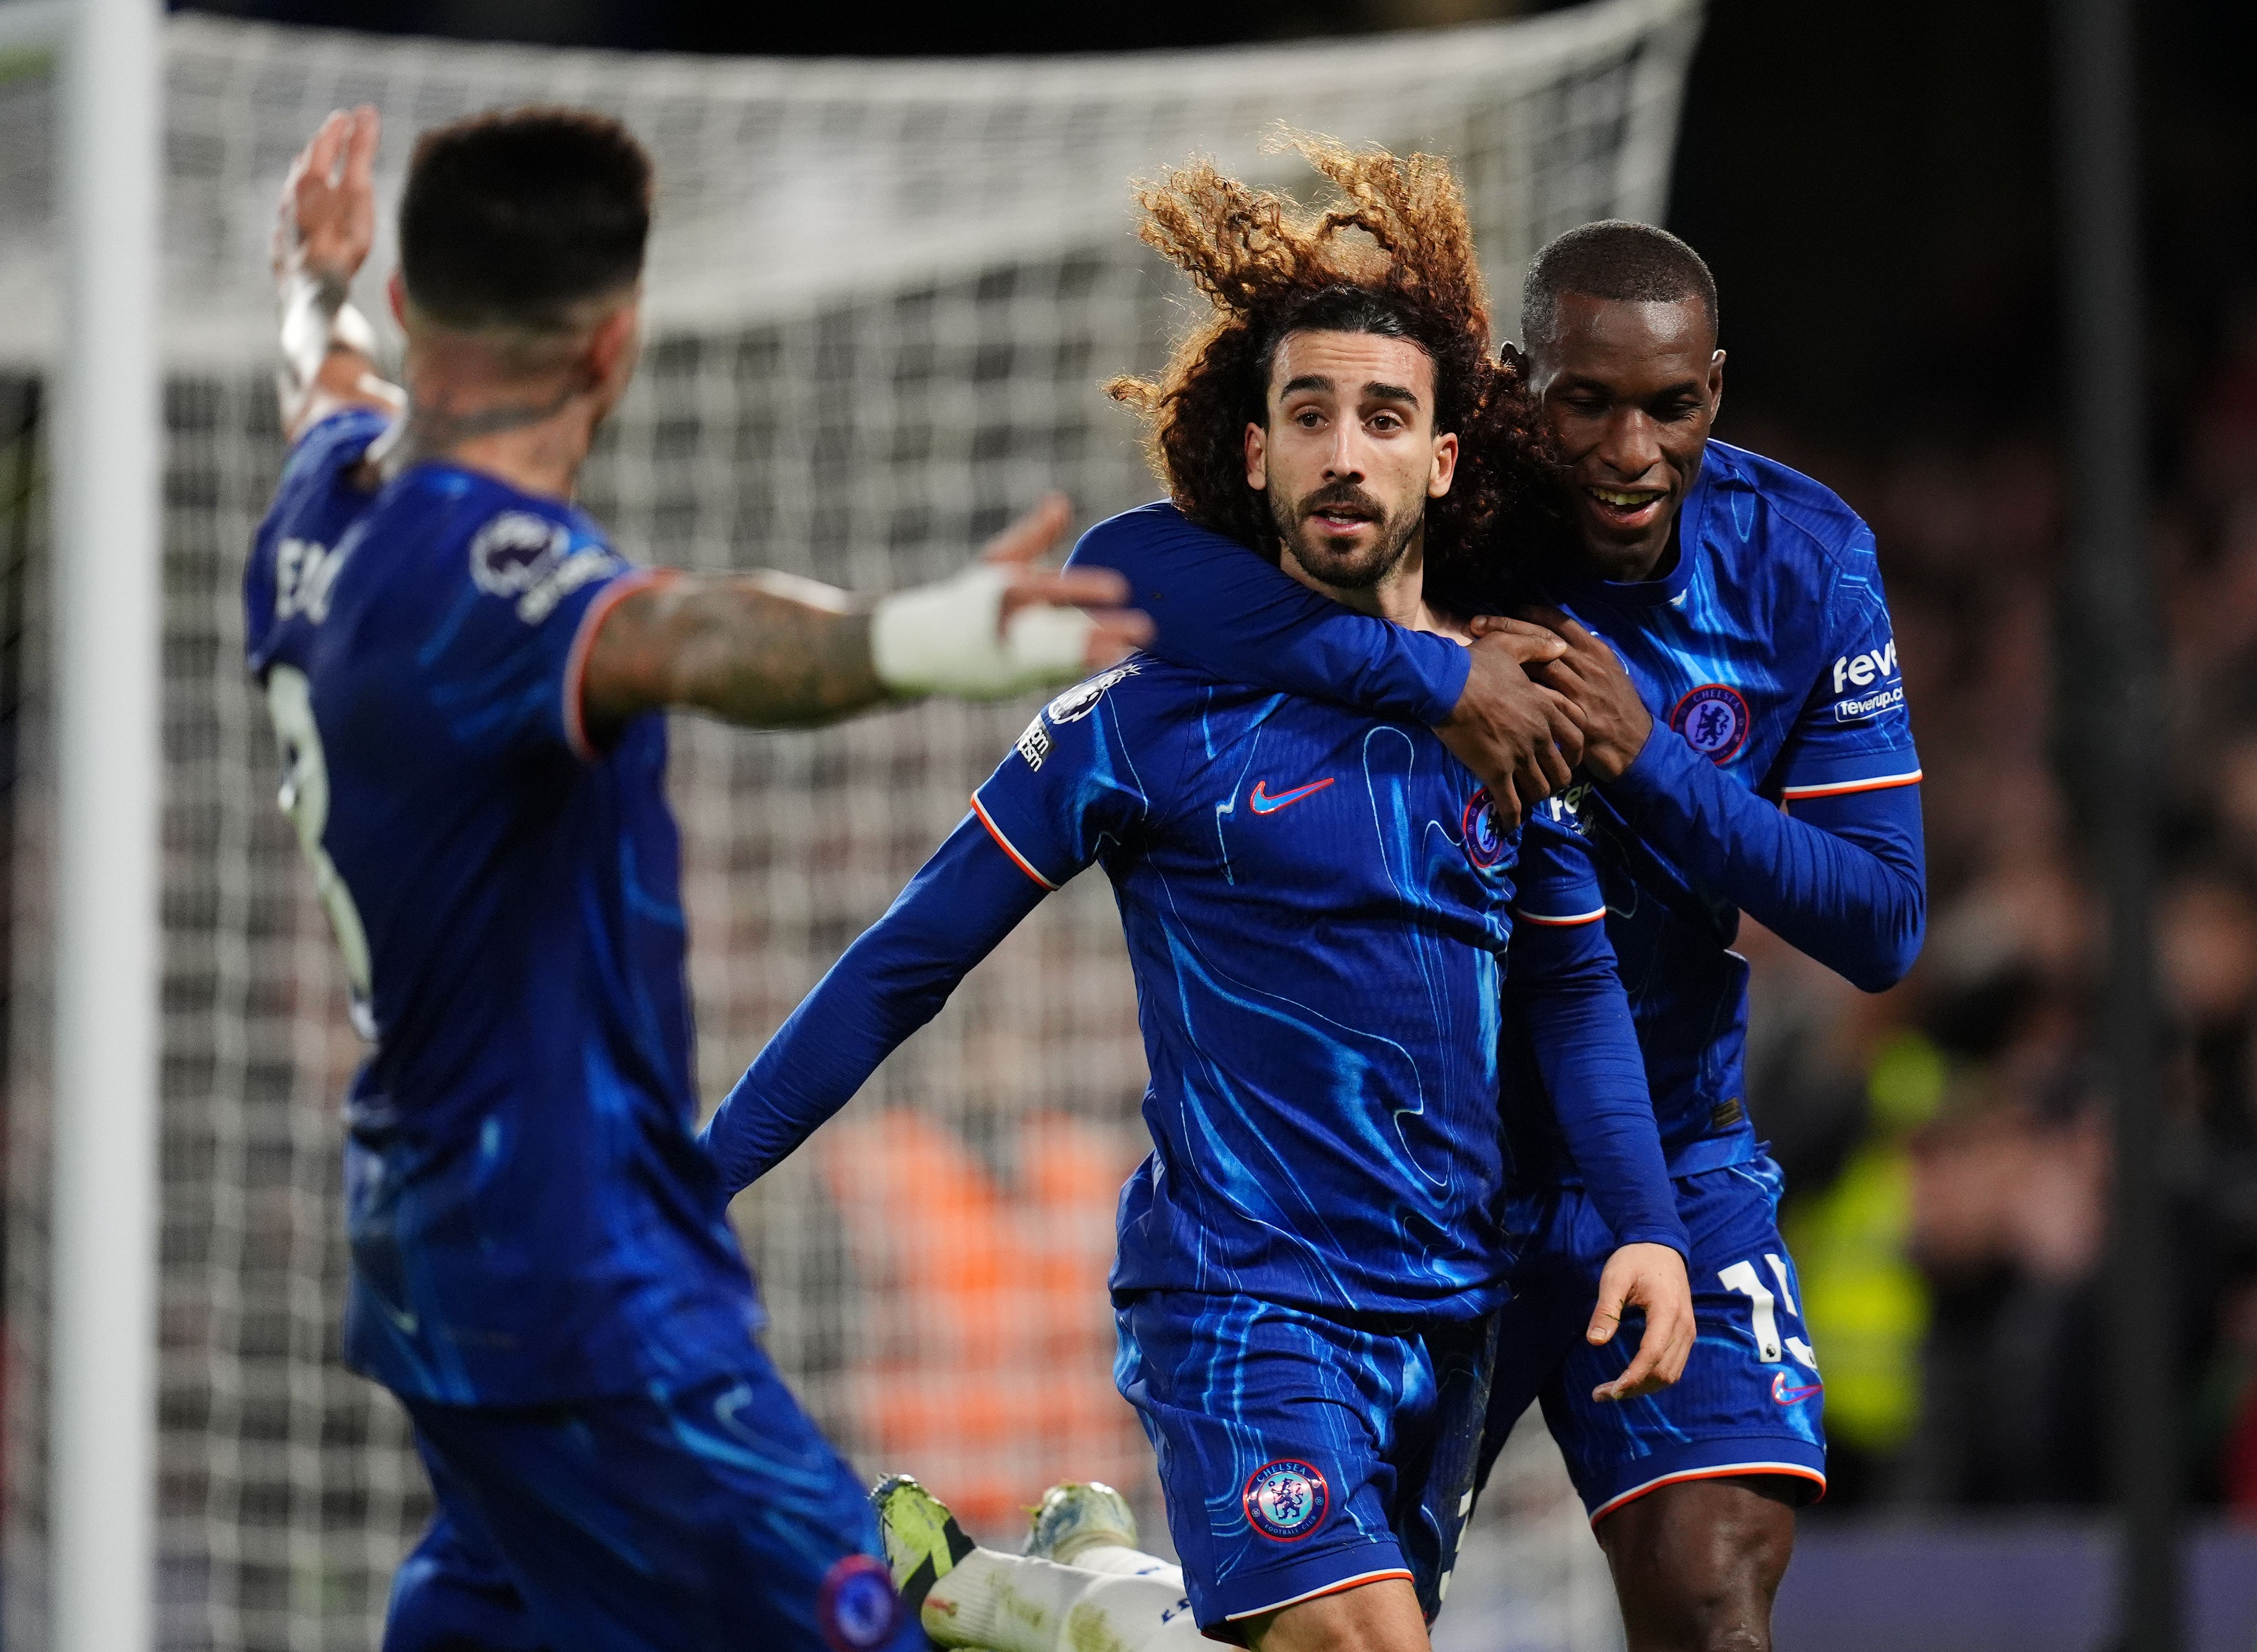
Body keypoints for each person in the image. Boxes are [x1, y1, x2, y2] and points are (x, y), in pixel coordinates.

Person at [703, 141, 1697, 1652]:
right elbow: (907, 961)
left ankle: (1057, 1604)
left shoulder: (1517, 719)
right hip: (1244, 1297)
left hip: (1451, 1313)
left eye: (1384, 418)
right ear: (1252, 453)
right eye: (1310, 417)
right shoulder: (1146, 722)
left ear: (1442, 458)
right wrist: (699, 1177)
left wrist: (1648, 1221)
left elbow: (1571, 991)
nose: (1345, 453)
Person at [249, 105, 1146, 1652]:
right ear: (615, 344)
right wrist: (915, 637)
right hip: (587, 1272)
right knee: (862, 1626)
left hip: (425, 1252)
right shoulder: (507, 578)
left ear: (411, 305)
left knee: (489, 1612)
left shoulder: (327, 498)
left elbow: (317, 375)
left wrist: (311, 279)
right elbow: (698, 639)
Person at [1066, 219, 1930, 1652]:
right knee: (1330, 1627)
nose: (1630, 450)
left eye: (1672, 406)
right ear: (1521, 392)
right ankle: (1115, 1622)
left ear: (1716, 387)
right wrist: (1428, 672)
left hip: (1665, 1152)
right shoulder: (1449, 515)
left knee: (1714, 1581)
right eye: (1586, 403)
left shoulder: (1805, 559)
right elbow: (1134, 569)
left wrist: (1648, 759)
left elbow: (1881, 918)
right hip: (1409, 1188)